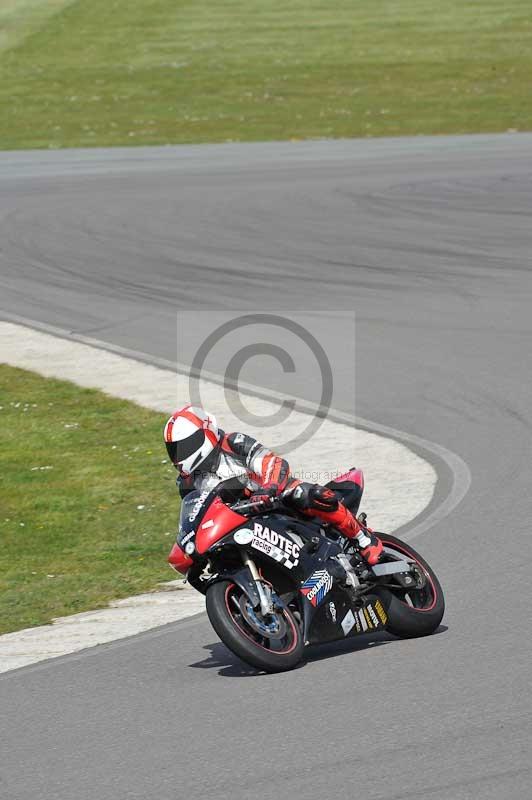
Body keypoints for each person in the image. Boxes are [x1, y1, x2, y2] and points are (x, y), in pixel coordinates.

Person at [163, 405, 383, 565]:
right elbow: (195, 516)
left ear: (205, 433)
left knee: (303, 493)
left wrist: (269, 488)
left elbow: (272, 462)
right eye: (174, 450)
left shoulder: (233, 443)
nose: (179, 455)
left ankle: (364, 539)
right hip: (240, 521)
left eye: (185, 446)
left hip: (275, 499)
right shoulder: (187, 483)